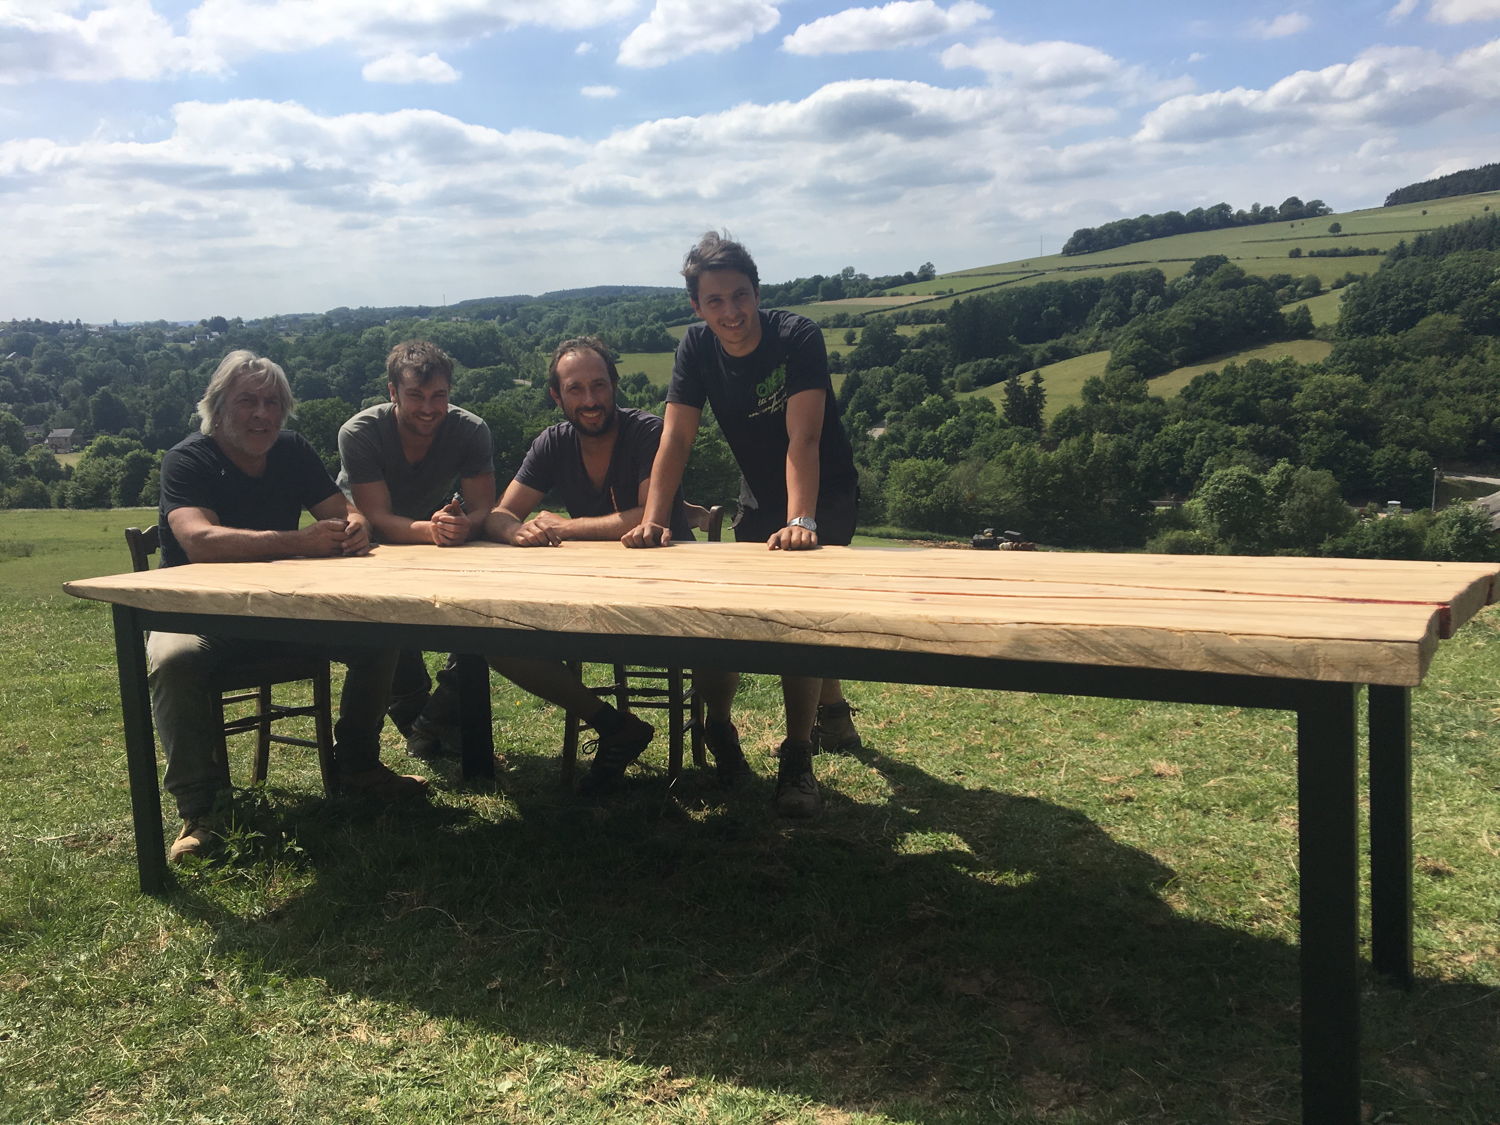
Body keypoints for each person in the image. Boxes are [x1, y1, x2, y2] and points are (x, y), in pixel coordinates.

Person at [150, 350, 425, 864]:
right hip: (199, 614)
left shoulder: (292, 451)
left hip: (280, 611)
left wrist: (355, 527)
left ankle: (359, 767)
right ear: (217, 406)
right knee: (174, 660)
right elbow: (199, 541)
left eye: (273, 402)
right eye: (247, 401)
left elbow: (345, 511)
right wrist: (298, 541)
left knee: (381, 633)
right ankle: (201, 811)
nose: (262, 414)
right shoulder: (189, 459)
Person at [622, 231, 862, 818]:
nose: (731, 312)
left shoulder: (796, 336)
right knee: (731, 620)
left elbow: (802, 437)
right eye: (715, 301)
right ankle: (783, 718)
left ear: (757, 292)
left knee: (800, 618)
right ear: (696, 307)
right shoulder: (696, 351)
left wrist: (802, 518)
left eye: (740, 296)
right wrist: (654, 521)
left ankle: (798, 755)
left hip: (823, 491)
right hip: (758, 494)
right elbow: (675, 438)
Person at [484, 337, 749, 792]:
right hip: (589, 597)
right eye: (575, 389)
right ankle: (613, 726)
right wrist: (513, 530)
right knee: (497, 639)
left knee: (718, 631)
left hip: (672, 592)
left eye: (599, 386)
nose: (590, 400)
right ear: (557, 395)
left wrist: (564, 527)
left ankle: (719, 727)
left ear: (614, 386)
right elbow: (500, 514)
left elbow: (651, 512)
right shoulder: (552, 443)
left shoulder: (647, 433)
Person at [337, 340, 496, 758]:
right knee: (389, 634)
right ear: (392, 392)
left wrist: (463, 525)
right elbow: (377, 519)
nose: (429, 407)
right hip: (363, 544)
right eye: (416, 396)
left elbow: (484, 507)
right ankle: (424, 725)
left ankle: (430, 726)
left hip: (429, 540)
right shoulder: (360, 433)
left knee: (484, 618)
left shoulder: (470, 429)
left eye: (439, 396)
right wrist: (437, 532)